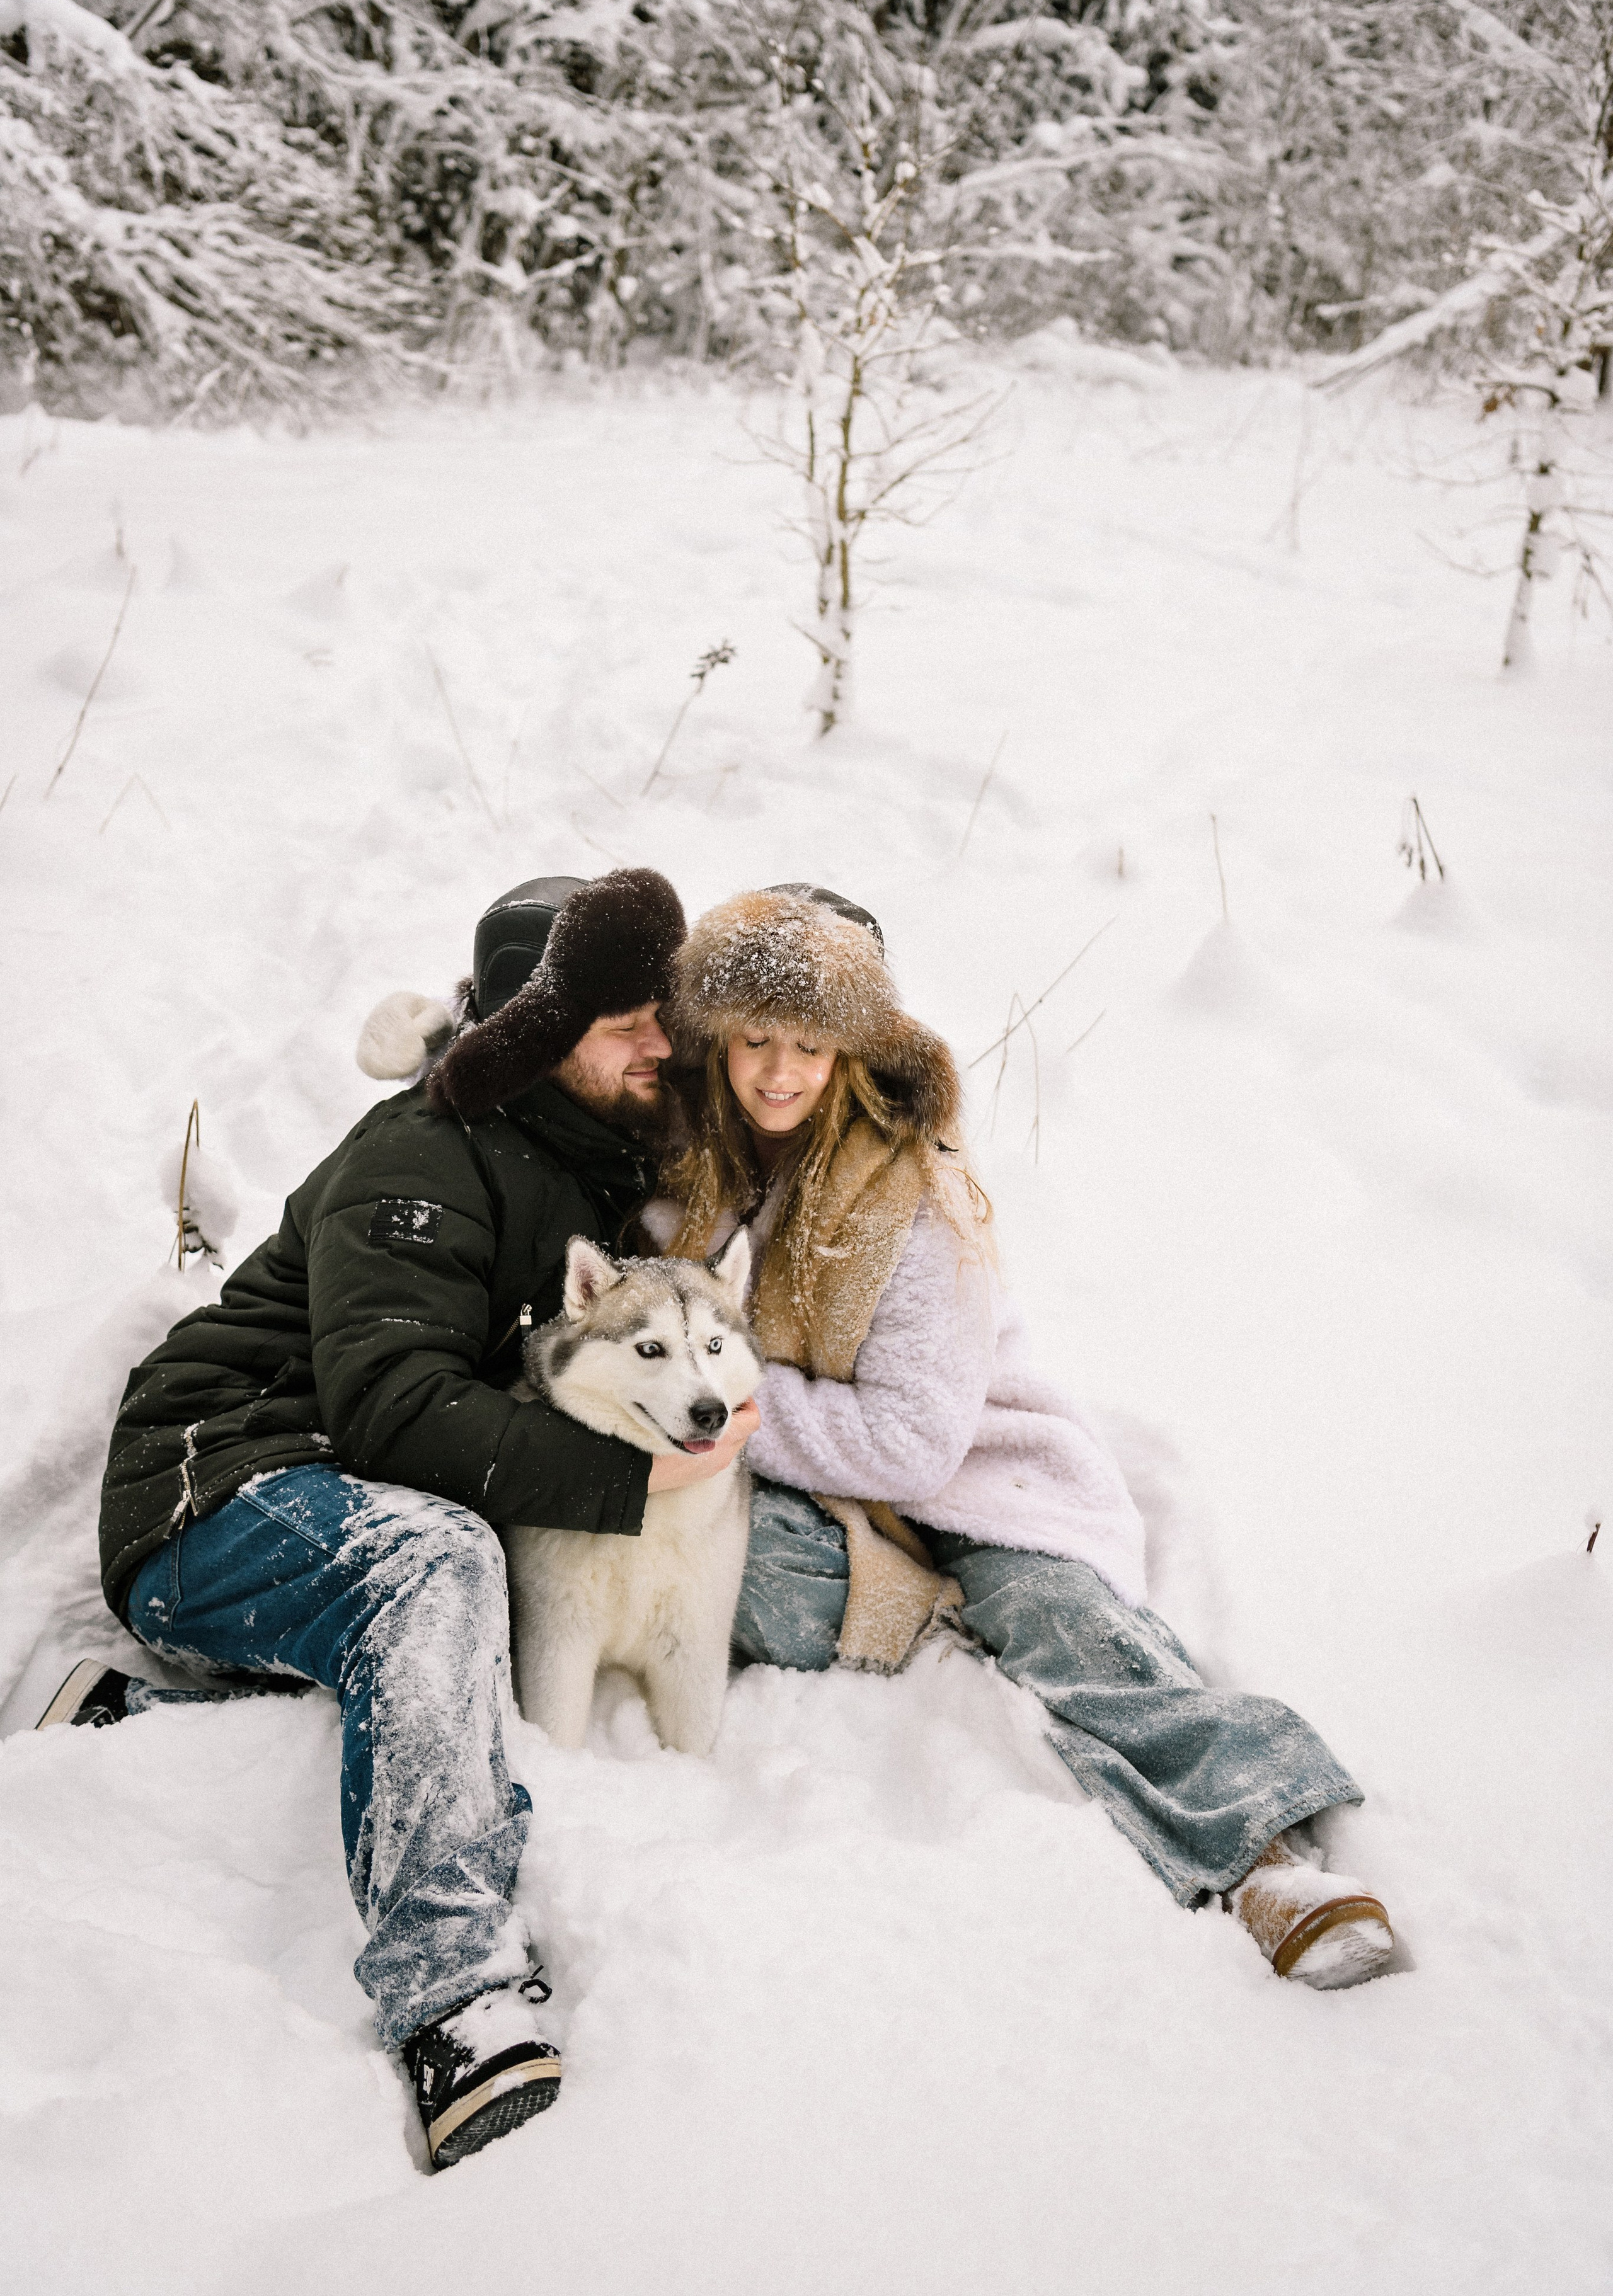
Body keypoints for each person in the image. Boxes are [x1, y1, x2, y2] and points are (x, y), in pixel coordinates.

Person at [39, 868, 760, 2169]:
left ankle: (127, 1725)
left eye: (660, 1010)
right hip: (220, 1483)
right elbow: (392, 1404)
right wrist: (622, 1484)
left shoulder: (593, 1154)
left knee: (445, 1634)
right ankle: (455, 1994)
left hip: (333, 1504)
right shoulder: (419, 1156)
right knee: (435, 1565)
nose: (663, 1041)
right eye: (624, 1020)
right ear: (541, 1036)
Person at [659, 884, 1398, 1990]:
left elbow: (912, 1443)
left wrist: (734, 1416)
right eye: (755, 1040)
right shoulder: (704, 1175)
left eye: (810, 1045)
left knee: (1067, 1631)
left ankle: (1265, 1853)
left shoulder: (918, 1200)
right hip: (829, 1503)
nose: (777, 1071)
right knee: (740, 1579)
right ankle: (941, 1625)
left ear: (852, 1052)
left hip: (977, 1483)